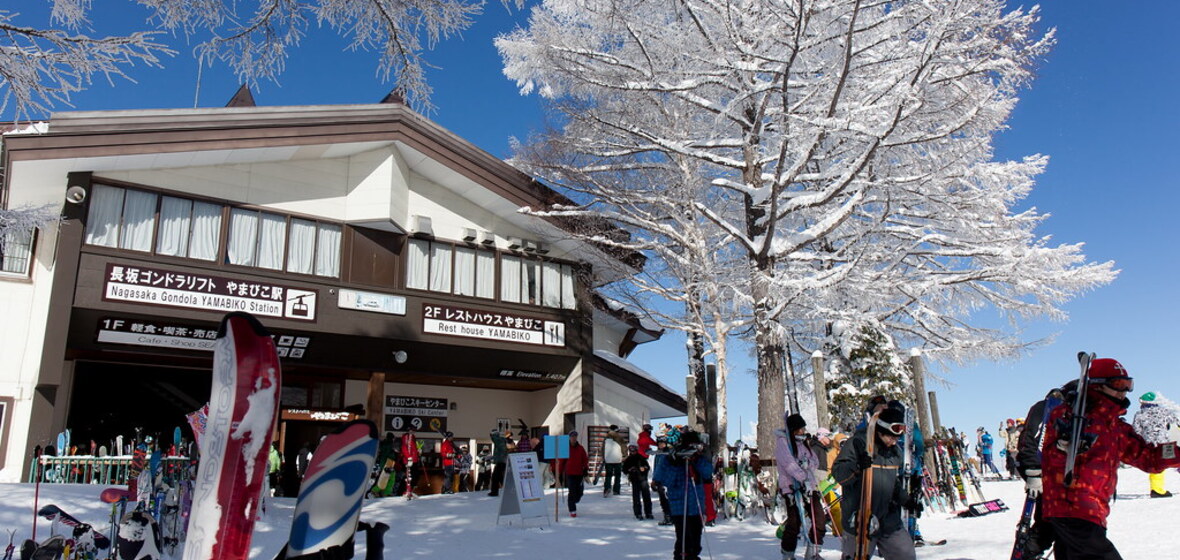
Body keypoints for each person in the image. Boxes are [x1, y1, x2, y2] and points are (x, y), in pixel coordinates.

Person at [1041, 357, 1180, 559]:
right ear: (1097, 385)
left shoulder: (1115, 426)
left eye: (1128, 385)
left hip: (1092, 513)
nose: (1124, 391)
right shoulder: (1070, 415)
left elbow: (1148, 457)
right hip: (1072, 510)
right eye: (1118, 384)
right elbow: (1049, 456)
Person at [832, 405, 916, 560]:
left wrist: (906, 500)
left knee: (905, 554)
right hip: (860, 519)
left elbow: (894, 484)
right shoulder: (857, 444)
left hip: (888, 520)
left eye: (897, 439)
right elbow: (838, 474)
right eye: (891, 438)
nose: (894, 442)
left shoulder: (895, 452)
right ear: (880, 431)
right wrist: (857, 466)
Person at [1016, 382, 1072, 559]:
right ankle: (1026, 553)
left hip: (1060, 475)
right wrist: (1033, 470)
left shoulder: (1071, 412)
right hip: (1042, 472)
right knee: (1049, 522)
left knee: (1063, 525)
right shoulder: (1045, 408)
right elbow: (1030, 439)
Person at [653, 428, 712, 560]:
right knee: (683, 540)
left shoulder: (699, 458)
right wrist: (675, 463)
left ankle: (693, 556)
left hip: (696, 505)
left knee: (695, 540)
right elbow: (664, 480)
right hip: (679, 505)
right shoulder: (670, 458)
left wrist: (697, 460)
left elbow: (707, 473)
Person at [776, 413, 825, 560]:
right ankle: (788, 554)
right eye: (800, 429)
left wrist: (806, 464)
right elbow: (789, 464)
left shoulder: (804, 443)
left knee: (819, 518)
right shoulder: (783, 443)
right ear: (793, 430)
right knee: (794, 523)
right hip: (792, 488)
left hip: (809, 487)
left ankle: (813, 552)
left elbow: (815, 461)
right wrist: (802, 477)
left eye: (803, 428)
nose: (803, 431)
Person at [1132, 391, 1177, 498]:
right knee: (1174, 461)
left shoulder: (1139, 414)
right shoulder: (1164, 411)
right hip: (1165, 443)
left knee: (1157, 465)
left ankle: (1157, 489)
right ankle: (1157, 489)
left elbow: (1136, 431)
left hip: (1151, 445)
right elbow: (1176, 421)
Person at [563, 430, 590, 517]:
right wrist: (559, 472)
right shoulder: (565, 448)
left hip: (579, 473)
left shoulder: (580, 448)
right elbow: (561, 460)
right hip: (570, 473)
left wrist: (585, 469)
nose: (574, 438)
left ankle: (574, 500)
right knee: (572, 491)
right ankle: (572, 510)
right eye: (572, 437)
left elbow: (585, 459)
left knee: (580, 492)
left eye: (575, 436)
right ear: (569, 438)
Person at [623, 443, 653, 520]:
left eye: (634, 450)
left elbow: (647, 467)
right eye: (631, 450)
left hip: (643, 479)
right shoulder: (628, 459)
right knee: (636, 498)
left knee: (646, 496)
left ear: (636, 450)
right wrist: (630, 470)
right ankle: (638, 513)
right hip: (634, 480)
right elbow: (624, 470)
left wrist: (644, 468)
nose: (633, 452)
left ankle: (648, 513)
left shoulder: (641, 458)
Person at [652, 436, 674, 525]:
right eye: (659, 443)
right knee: (663, 498)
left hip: (667, 479)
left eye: (663, 443)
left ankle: (670, 516)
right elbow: (656, 467)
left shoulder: (668, 453)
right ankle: (667, 516)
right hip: (659, 479)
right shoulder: (658, 454)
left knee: (667, 498)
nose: (661, 445)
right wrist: (654, 479)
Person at [603, 424, 626, 496]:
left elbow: (602, 448)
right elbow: (624, 447)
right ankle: (616, 490)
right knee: (617, 475)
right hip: (617, 459)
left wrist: (604, 457)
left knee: (608, 475)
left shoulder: (606, 438)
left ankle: (607, 488)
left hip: (608, 459)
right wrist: (625, 456)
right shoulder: (619, 437)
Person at [401, 426, 420, 499]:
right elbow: (404, 447)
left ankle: (410, 491)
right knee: (409, 476)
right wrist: (408, 457)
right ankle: (406, 491)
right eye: (413, 430)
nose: (414, 431)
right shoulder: (407, 436)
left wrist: (418, 452)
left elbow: (413, 448)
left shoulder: (412, 437)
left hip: (414, 459)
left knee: (415, 476)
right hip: (409, 460)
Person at [488, 428, 509, 497]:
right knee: (500, 477)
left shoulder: (499, 440)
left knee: (496, 477)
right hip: (502, 461)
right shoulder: (501, 440)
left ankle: (495, 492)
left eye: (492, 435)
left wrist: (493, 435)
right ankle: (506, 491)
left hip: (501, 461)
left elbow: (496, 441)